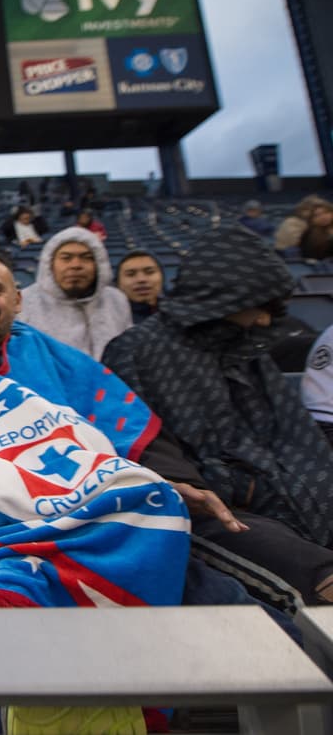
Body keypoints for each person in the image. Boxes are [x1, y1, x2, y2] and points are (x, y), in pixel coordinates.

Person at [0, 252, 190, 734]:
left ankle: (118, 696)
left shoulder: (51, 352)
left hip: (78, 495)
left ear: (17, 299)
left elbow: (113, 418)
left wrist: (183, 479)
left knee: (158, 499)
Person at [104, 226, 333, 604]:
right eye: (258, 304)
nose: (264, 321)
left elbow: (297, 440)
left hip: (286, 493)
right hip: (211, 509)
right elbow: (149, 457)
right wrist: (234, 487)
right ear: (221, 297)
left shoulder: (245, 348)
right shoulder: (135, 351)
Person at [19, 226, 131, 360]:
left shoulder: (116, 300)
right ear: (49, 264)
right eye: (66, 258)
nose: (76, 265)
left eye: (86, 257)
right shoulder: (24, 303)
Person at [115, 250, 164, 322]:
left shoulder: (176, 314)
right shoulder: (111, 320)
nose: (141, 279)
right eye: (130, 274)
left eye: (150, 272)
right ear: (118, 282)